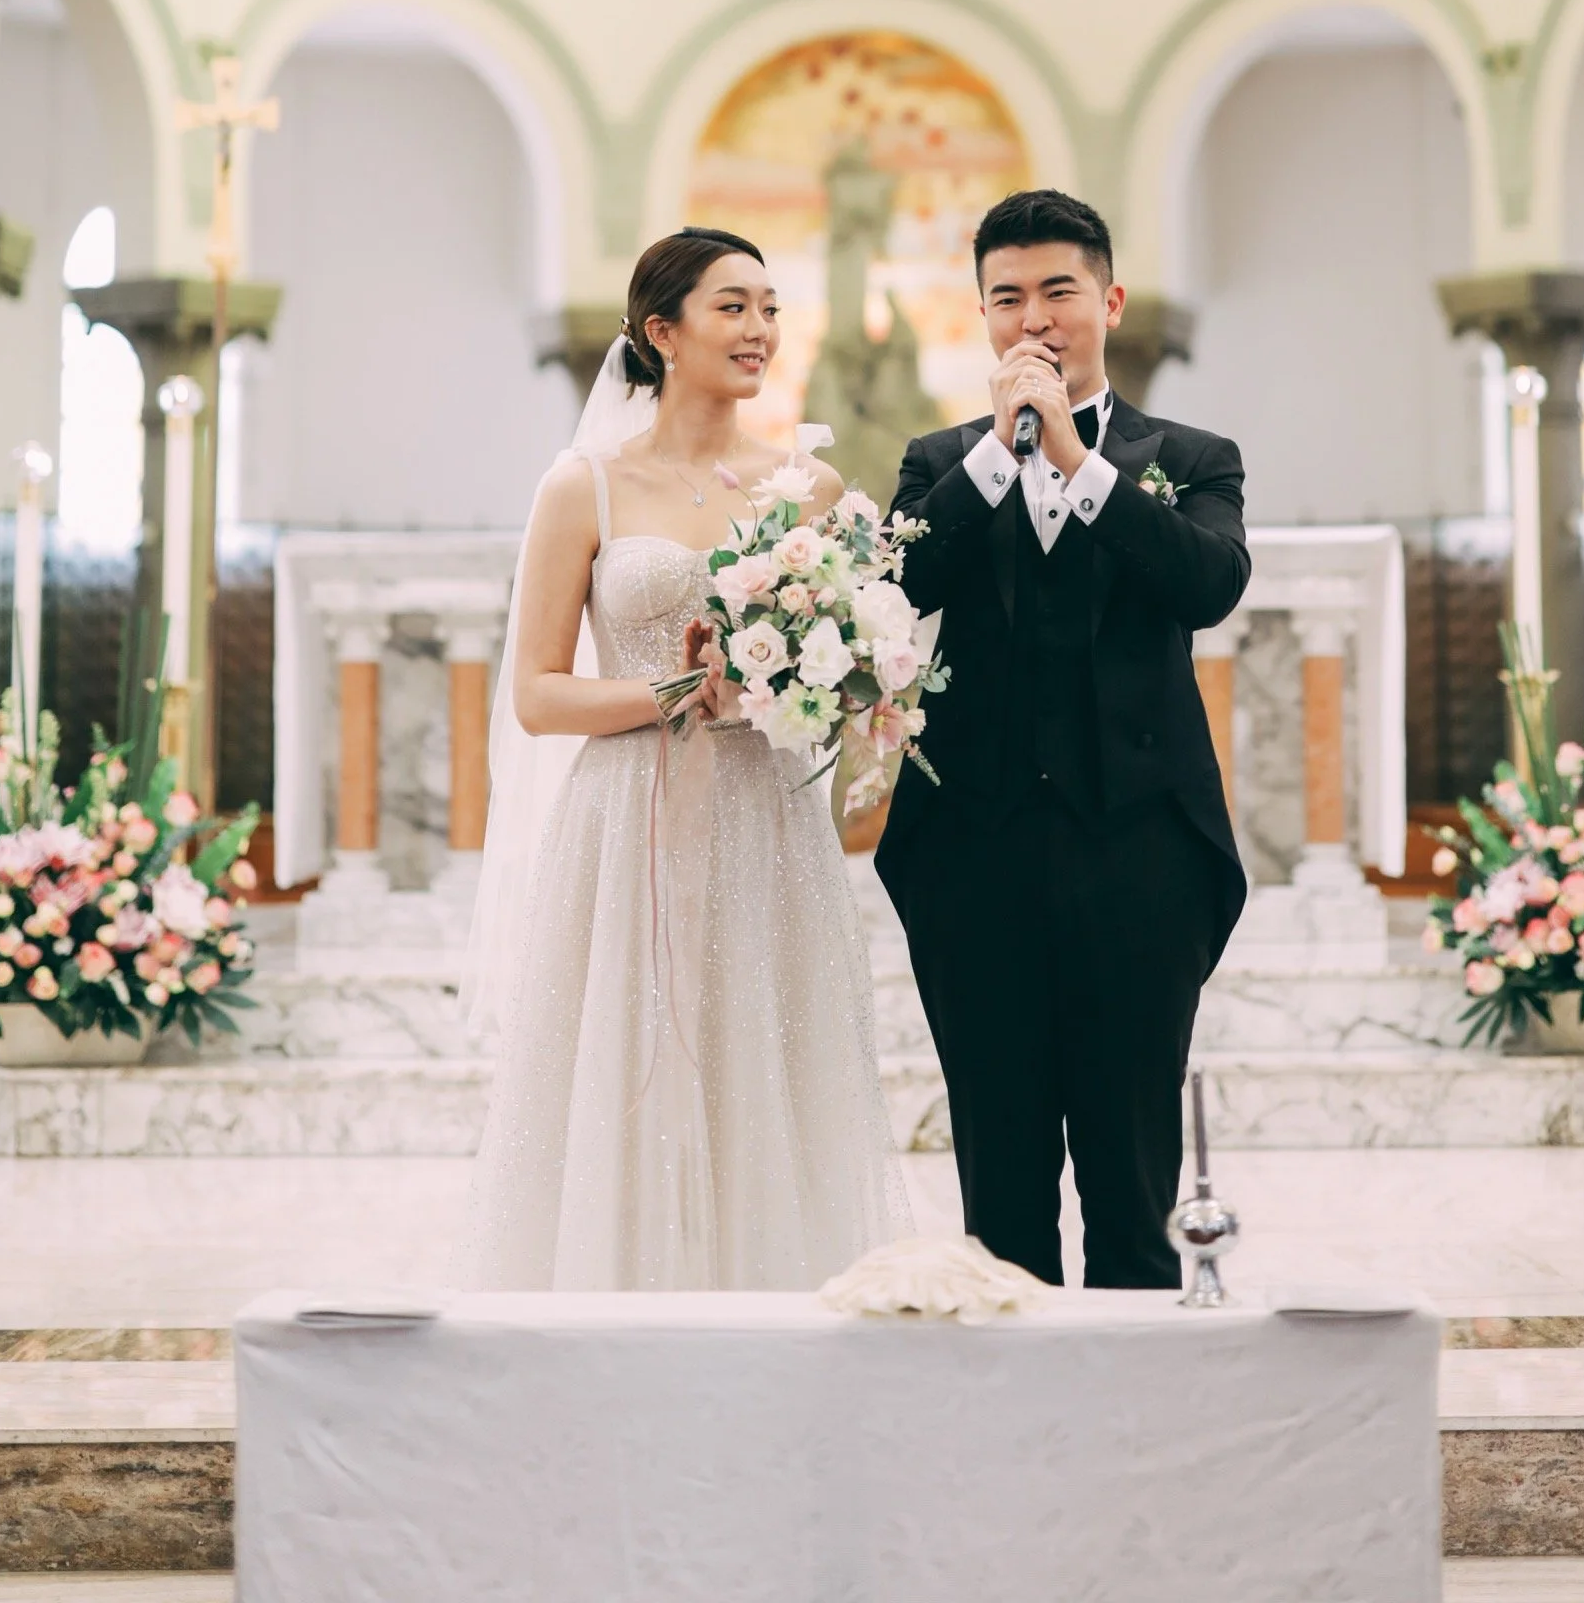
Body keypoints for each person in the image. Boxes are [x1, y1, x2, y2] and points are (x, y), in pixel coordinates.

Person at [460, 225, 908, 1291]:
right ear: (661, 331)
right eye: (732, 307)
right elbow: (535, 694)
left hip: (766, 814)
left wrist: (837, 684)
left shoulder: (809, 490)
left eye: (768, 308)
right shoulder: (586, 488)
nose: (759, 330)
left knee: (766, 1062)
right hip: (629, 819)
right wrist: (672, 690)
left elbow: (850, 669)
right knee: (633, 1063)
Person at [880, 187, 1249, 1288]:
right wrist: (998, 456)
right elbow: (896, 583)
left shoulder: (1192, 453)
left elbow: (1206, 585)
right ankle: (1005, 1432)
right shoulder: (938, 461)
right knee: (998, 1187)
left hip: (1142, 854)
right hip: (970, 856)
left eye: (1057, 291)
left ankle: (1134, 1431)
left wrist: (1082, 469)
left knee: (1132, 1184)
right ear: (980, 317)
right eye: (1006, 298)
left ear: (1110, 300)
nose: (1032, 319)